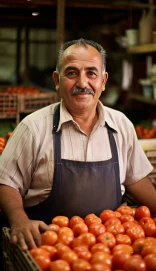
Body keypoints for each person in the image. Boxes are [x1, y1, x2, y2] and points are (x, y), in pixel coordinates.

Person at [0, 38, 156, 255]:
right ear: (57, 79)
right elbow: (6, 182)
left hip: (108, 247)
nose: (82, 83)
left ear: (103, 80)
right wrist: (19, 220)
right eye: (72, 73)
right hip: (48, 246)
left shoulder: (120, 125)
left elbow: (135, 178)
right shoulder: (33, 127)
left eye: (91, 73)